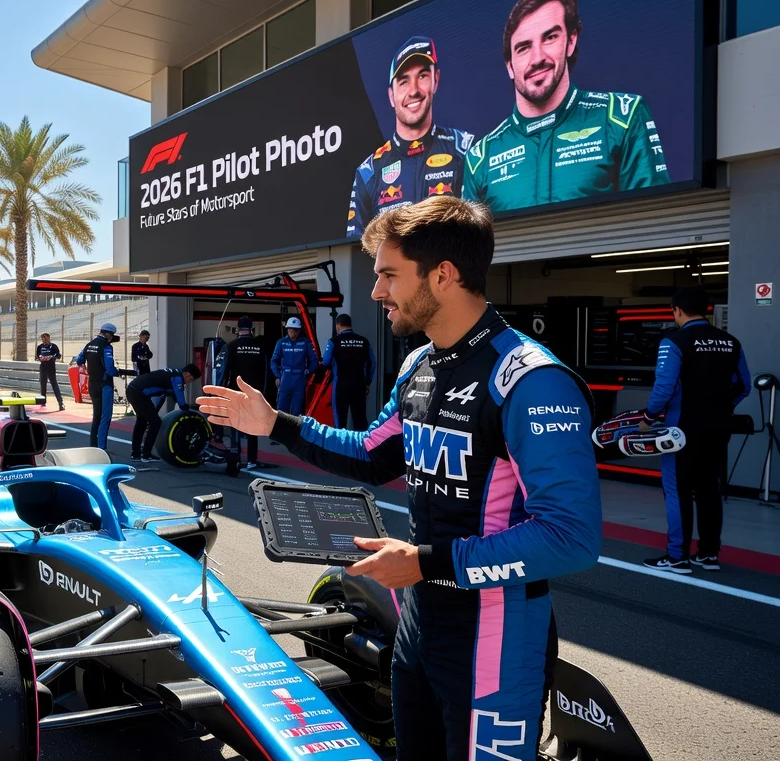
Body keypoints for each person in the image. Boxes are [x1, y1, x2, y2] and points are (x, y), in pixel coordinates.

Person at [197, 196, 601, 760]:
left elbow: (571, 537)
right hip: (417, 626)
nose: (375, 291)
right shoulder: (418, 366)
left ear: (443, 275)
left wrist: (425, 561)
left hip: (496, 639)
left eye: (388, 274)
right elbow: (370, 454)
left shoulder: (531, 380)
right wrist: (276, 423)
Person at [464, 0, 669, 212]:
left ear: (570, 41)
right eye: (523, 48)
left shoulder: (622, 118)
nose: (537, 58)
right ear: (509, 66)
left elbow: (656, 220)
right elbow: (470, 246)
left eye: (550, 37)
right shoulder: (480, 157)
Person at [639, 287, 750, 574]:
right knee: (709, 489)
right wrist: (720, 408)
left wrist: (649, 419)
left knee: (677, 490)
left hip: (681, 429)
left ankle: (677, 557)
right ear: (708, 310)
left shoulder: (674, 341)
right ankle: (709, 554)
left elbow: (664, 388)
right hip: (718, 426)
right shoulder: (731, 341)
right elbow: (744, 386)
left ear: (676, 310)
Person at [348, 36, 474, 237]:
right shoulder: (368, 172)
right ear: (391, 95)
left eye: (422, 76)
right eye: (403, 81)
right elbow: (355, 250)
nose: (413, 90)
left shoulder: (466, 149)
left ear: (436, 80)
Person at [128, 364, 199, 462]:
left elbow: (171, 393)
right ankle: (146, 454)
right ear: (187, 374)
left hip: (132, 389)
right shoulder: (177, 378)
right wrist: (187, 410)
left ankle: (135, 454)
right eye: (191, 379)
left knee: (142, 421)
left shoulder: (173, 372)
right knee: (155, 422)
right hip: (139, 393)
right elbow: (181, 402)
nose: (190, 381)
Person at [223, 317, 267, 469]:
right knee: (252, 425)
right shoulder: (259, 346)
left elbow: (226, 370)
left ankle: (236, 456)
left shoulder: (232, 345)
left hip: (236, 391)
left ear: (238, 328)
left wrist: (223, 389)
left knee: (235, 423)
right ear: (251, 328)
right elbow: (265, 371)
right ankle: (251, 460)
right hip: (254, 392)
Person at [322, 313, 376, 431]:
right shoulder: (364, 341)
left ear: (338, 325)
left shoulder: (334, 341)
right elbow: (372, 363)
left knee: (340, 420)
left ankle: (340, 448)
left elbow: (325, 362)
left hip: (340, 385)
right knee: (360, 419)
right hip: (359, 385)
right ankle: (362, 447)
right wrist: (367, 382)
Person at [74, 322, 119, 450]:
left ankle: (92, 446)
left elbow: (79, 360)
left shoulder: (89, 345)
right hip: (105, 385)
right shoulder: (106, 346)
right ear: (109, 334)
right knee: (105, 417)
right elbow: (110, 369)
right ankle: (102, 448)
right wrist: (117, 372)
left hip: (92, 384)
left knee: (96, 416)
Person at [270, 317, 317, 415]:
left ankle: (296, 430)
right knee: (281, 411)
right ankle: (282, 430)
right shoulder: (281, 343)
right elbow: (274, 361)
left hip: (300, 379)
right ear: (287, 329)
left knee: (297, 411)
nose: (292, 331)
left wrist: (308, 372)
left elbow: (314, 361)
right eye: (290, 328)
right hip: (285, 378)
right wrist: (278, 376)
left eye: (295, 329)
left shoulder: (306, 343)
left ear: (299, 330)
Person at [35, 332, 66, 411]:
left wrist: (51, 357)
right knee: (43, 384)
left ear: (49, 338)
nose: (44, 339)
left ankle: (60, 403)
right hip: (43, 367)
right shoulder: (40, 347)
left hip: (51, 367)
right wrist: (40, 357)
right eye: (42, 338)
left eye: (45, 338)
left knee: (54, 384)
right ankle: (42, 401)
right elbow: (37, 356)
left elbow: (58, 355)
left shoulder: (53, 346)